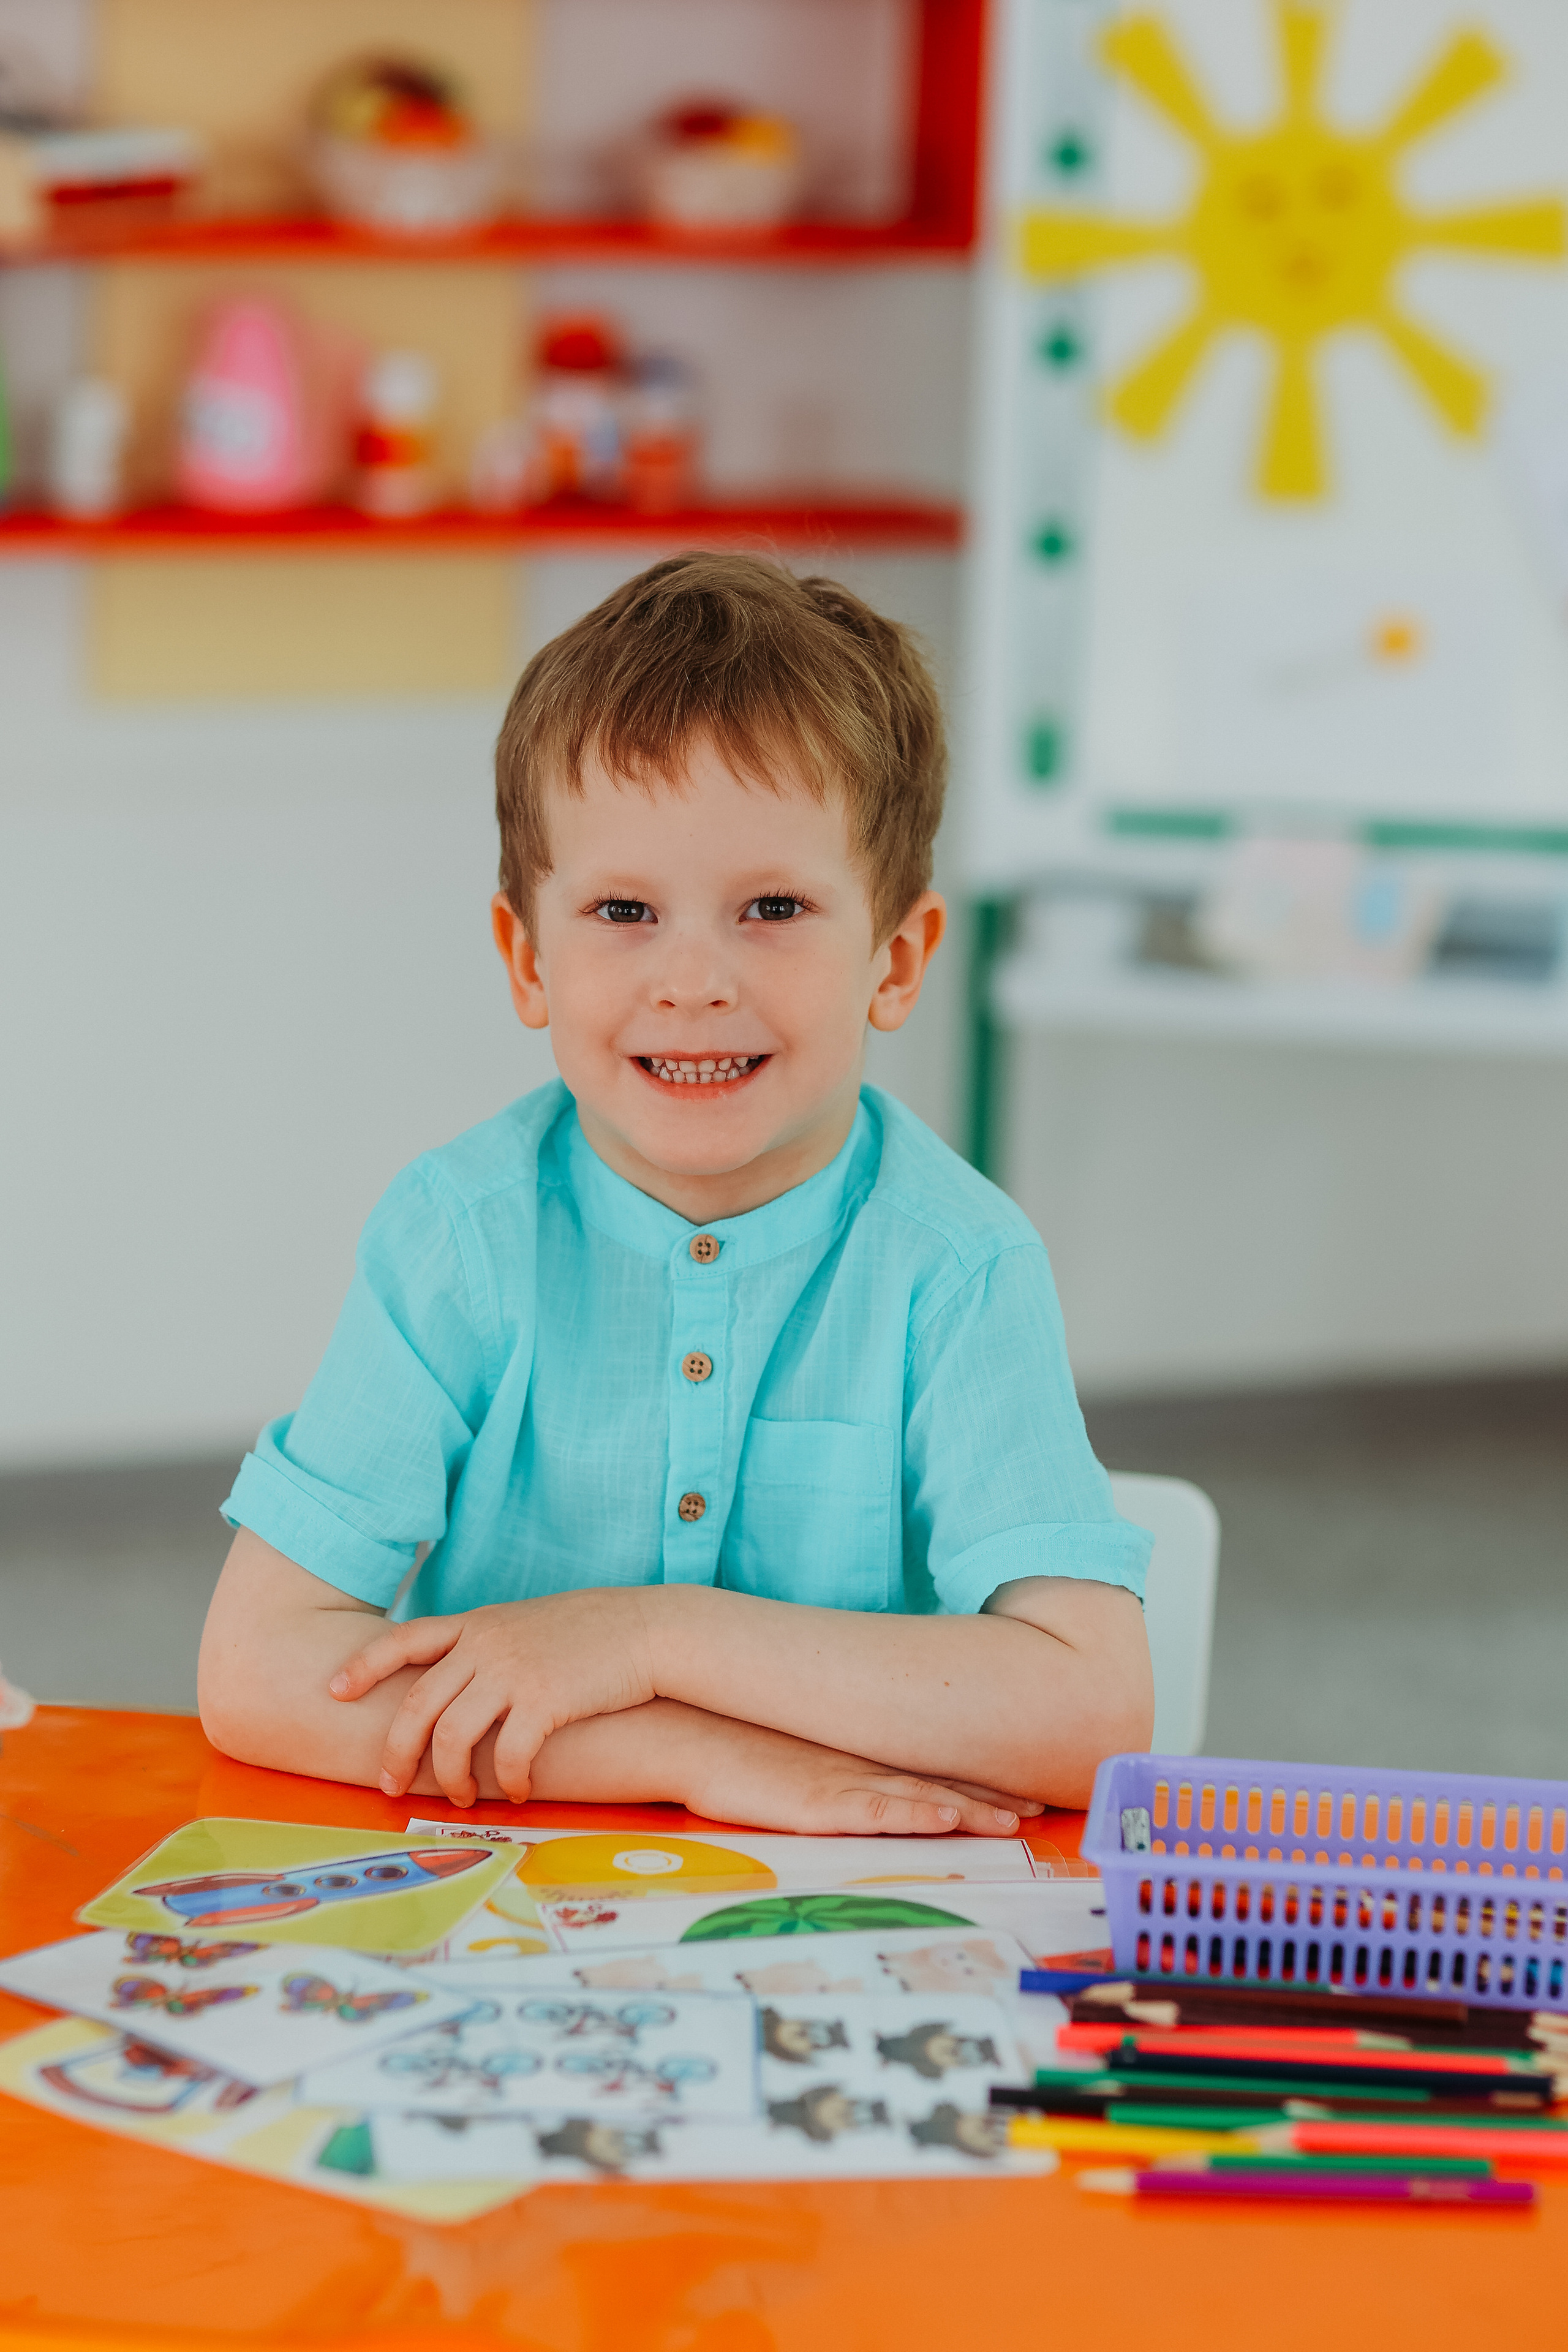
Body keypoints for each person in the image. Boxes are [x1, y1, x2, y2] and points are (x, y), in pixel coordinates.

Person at [198, 552, 1153, 1831]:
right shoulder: (458, 1236)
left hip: (851, 1910)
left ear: (896, 956)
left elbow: (1089, 1717)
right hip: (503, 1912)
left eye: (770, 906)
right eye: (622, 910)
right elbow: (254, 1672)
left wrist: (647, 1637)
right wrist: (682, 1755)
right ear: (525, 959)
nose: (693, 979)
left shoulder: (959, 1265)